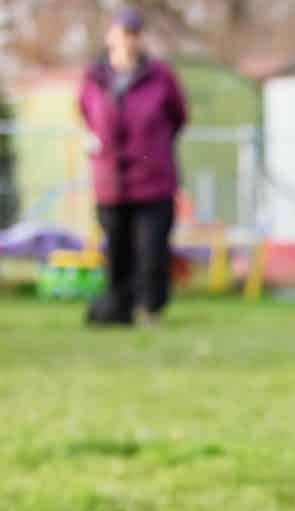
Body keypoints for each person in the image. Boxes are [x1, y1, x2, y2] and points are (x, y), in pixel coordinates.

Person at [77, 8, 186, 326]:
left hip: (153, 180)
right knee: (117, 250)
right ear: (111, 35)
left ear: (141, 37)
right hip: (111, 182)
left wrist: (154, 148)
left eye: (134, 32)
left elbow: (178, 117)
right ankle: (118, 308)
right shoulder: (94, 78)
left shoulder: (161, 76)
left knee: (152, 250)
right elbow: (86, 114)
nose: (128, 39)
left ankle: (150, 310)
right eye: (123, 31)